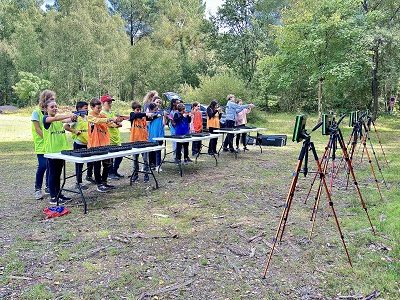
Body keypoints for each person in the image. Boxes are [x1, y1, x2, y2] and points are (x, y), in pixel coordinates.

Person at [42, 97, 77, 205]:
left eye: (56, 106)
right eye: (52, 107)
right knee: (53, 174)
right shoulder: (46, 119)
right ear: (46, 109)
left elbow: (67, 120)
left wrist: (73, 118)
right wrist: (69, 115)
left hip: (61, 152)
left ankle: (59, 194)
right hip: (52, 152)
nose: (55, 108)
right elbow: (56, 119)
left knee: (58, 174)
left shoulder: (58, 119)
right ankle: (53, 197)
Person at [87, 98, 120, 192]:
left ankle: (104, 182)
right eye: (98, 108)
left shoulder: (102, 115)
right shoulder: (90, 116)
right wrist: (109, 119)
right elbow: (97, 121)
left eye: (100, 107)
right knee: (97, 165)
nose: (100, 109)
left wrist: (116, 122)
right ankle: (99, 184)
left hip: (105, 144)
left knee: (107, 164)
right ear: (92, 107)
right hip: (95, 145)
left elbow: (109, 123)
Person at [64, 101, 93, 189]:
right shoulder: (75, 118)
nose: (87, 109)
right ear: (79, 109)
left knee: (91, 161)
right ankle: (78, 182)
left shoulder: (87, 118)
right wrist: (75, 131)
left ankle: (89, 176)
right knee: (79, 164)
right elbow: (66, 126)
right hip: (79, 144)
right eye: (85, 108)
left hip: (88, 143)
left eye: (87, 108)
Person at [32, 90, 52, 200]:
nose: (53, 101)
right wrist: (47, 138)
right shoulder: (36, 112)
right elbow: (37, 128)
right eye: (51, 98)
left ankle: (49, 186)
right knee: (43, 165)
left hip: (51, 145)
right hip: (41, 144)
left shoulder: (50, 111)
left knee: (50, 165)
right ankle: (37, 188)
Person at [129, 101, 155, 183]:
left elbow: (151, 118)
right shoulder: (132, 115)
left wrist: (154, 114)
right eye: (137, 109)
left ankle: (146, 174)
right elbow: (136, 115)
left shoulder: (143, 117)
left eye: (140, 109)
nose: (139, 111)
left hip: (144, 141)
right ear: (134, 110)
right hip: (134, 141)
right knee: (135, 160)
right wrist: (145, 114)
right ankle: (135, 175)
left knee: (145, 160)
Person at [100, 94, 124, 180]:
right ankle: (110, 173)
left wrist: (118, 122)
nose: (110, 103)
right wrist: (116, 124)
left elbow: (116, 121)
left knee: (120, 155)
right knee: (110, 157)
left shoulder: (111, 112)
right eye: (108, 102)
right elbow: (109, 124)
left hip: (116, 137)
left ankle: (114, 171)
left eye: (111, 102)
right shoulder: (102, 113)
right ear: (103, 103)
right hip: (108, 138)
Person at [147, 97, 167, 172]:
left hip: (159, 134)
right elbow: (148, 120)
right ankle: (151, 165)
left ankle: (158, 165)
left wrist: (164, 116)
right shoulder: (149, 114)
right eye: (157, 102)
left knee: (158, 150)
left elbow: (164, 123)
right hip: (152, 135)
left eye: (159, 103)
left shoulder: (161, 113)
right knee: (151, 151)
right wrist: (157, 115)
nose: (158, 104)